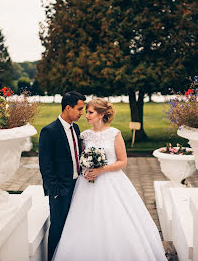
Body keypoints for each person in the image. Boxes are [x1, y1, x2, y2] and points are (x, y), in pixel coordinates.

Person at [52, 98, 167, 261]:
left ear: (101, 114)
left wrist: (101, 170)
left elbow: (122, 162)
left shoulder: (114, 133)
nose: (86, 116)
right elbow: (81, 159)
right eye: (86, 112)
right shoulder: (84, 135)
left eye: (90, 112)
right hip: (87, 185)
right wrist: (86, 170)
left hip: (111, 182)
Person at [38, 91, 86, 261]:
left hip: (78, 186)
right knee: (58, 228)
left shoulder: (76, 128)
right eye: (79, 109)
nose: (82, 113)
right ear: (68, 107)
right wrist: (55, 191)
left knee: (74, 226)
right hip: (60, 190)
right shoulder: (49, 131)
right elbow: (45, 165)